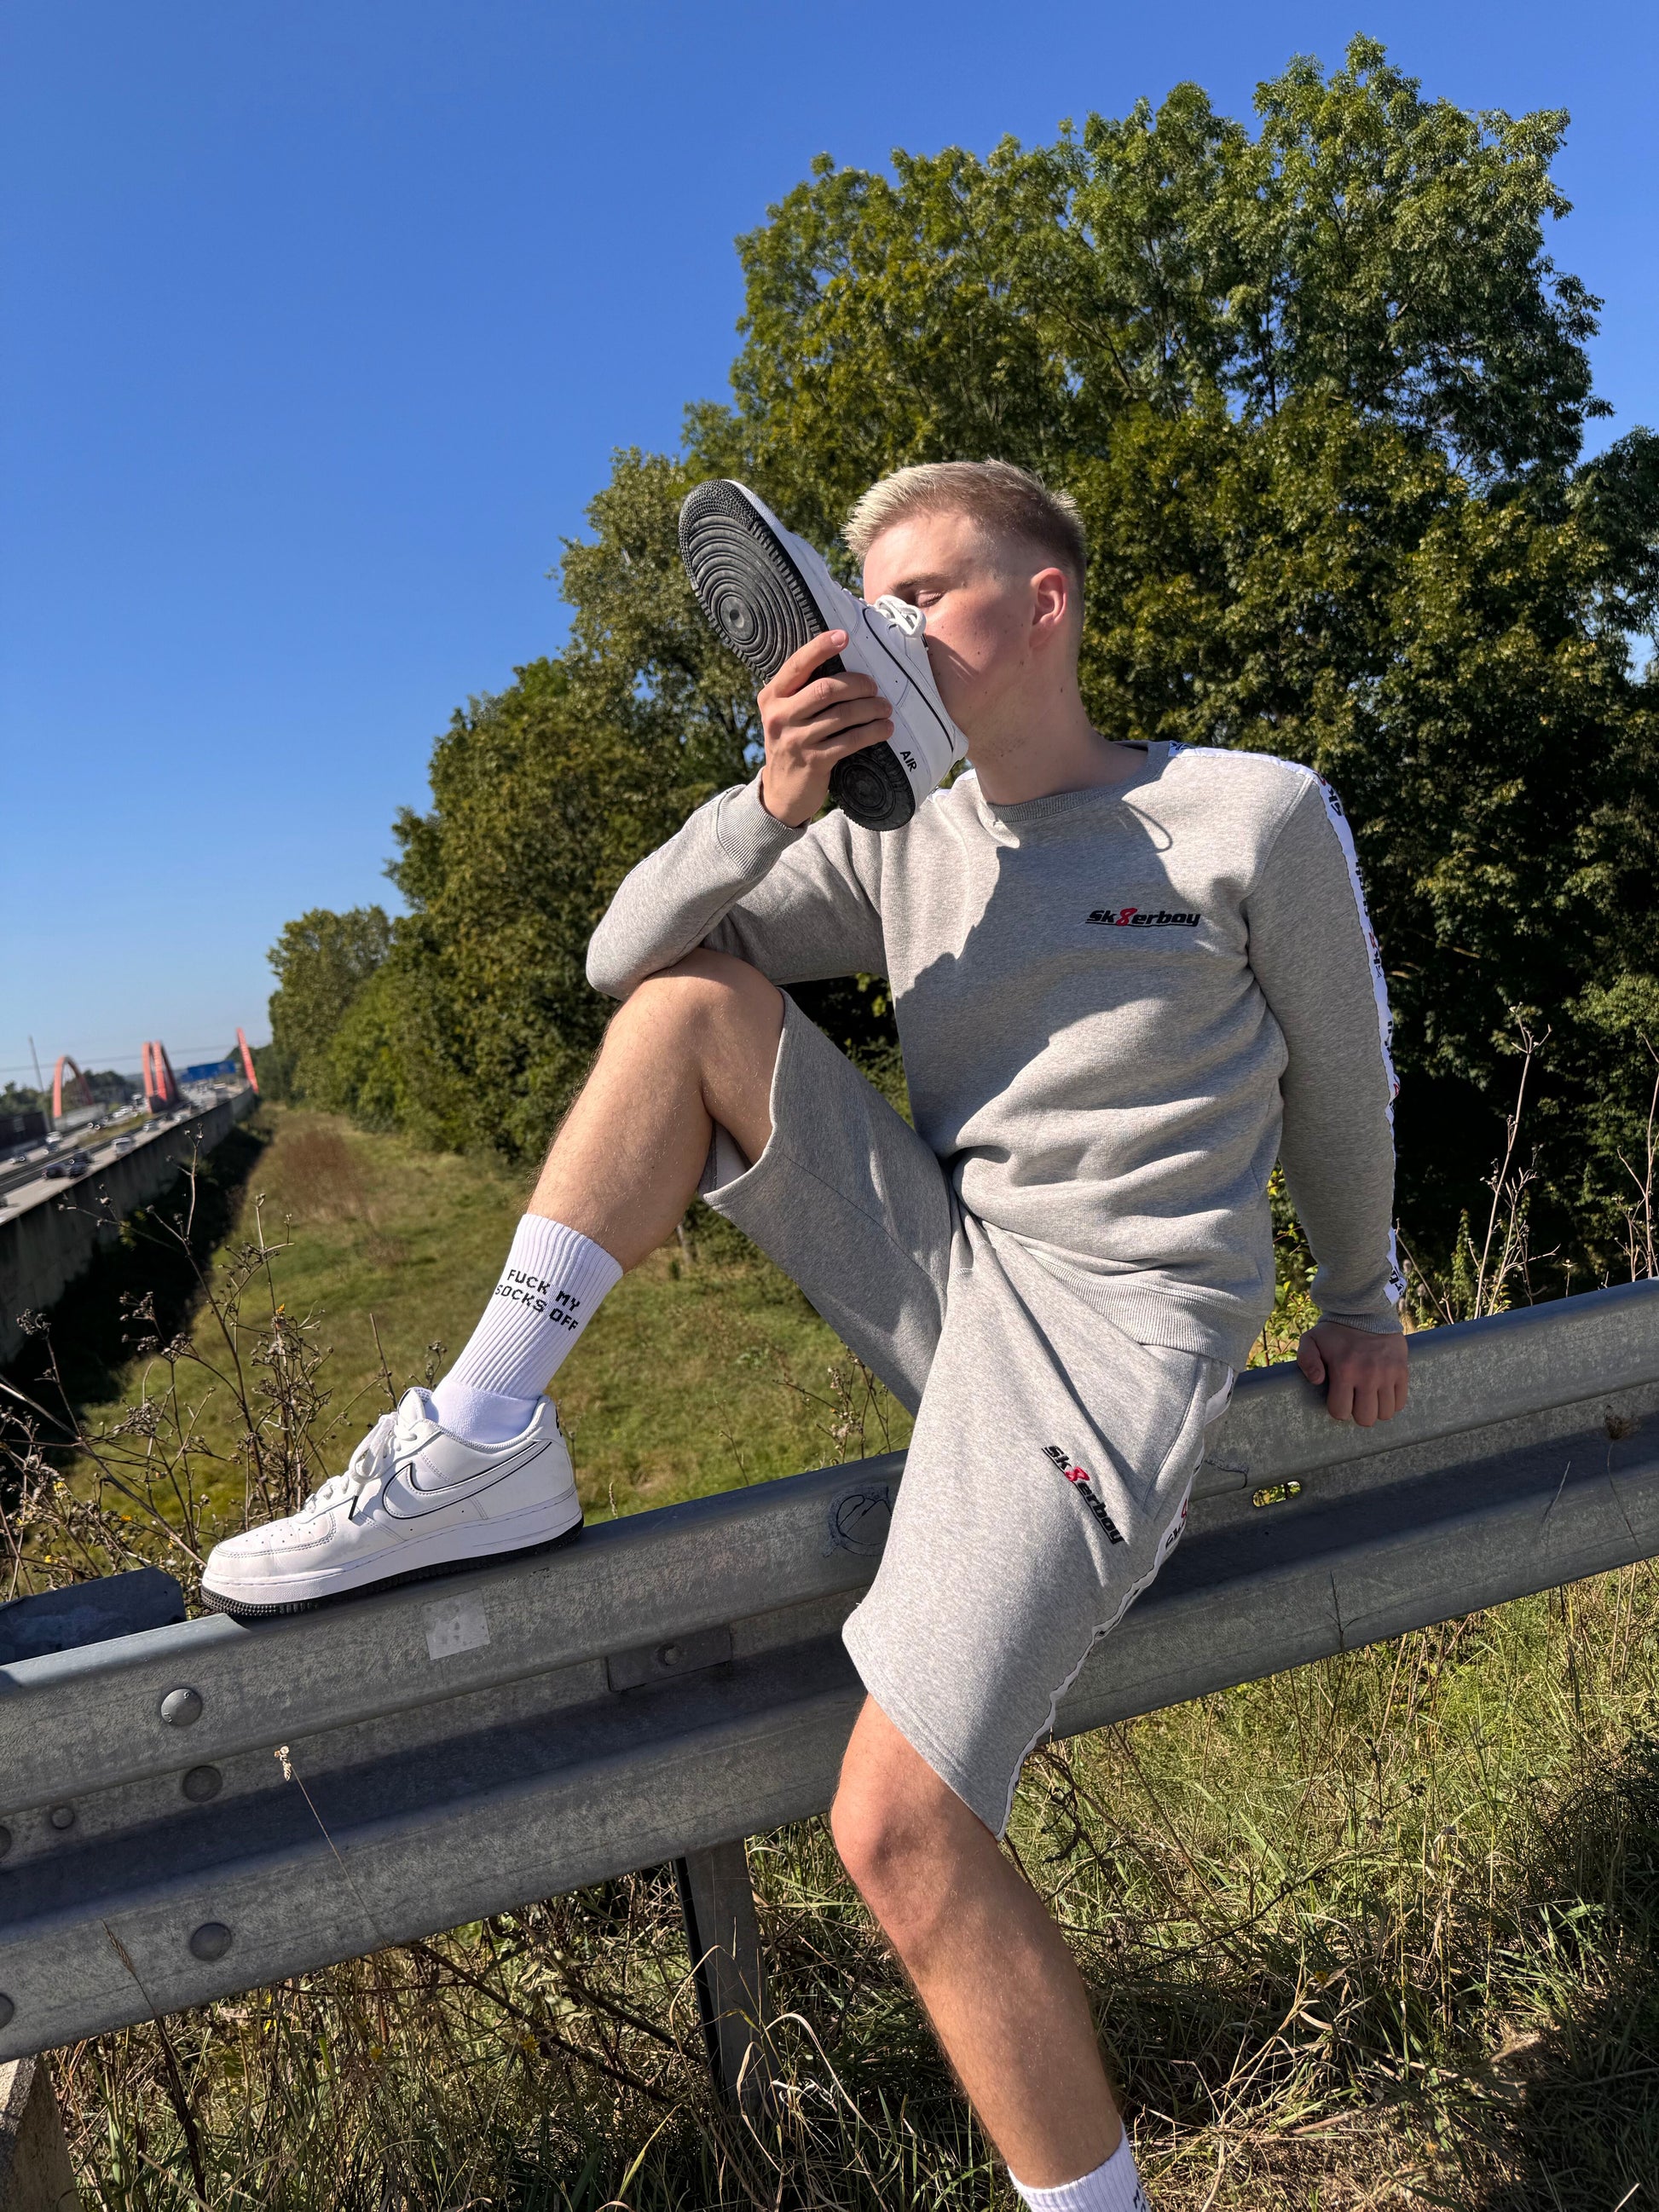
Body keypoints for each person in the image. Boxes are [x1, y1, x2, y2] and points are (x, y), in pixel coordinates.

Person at [204, 459, 1408, 2209]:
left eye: (919, 594)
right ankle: (479, 1433)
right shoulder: (902, 841)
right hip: (953, 1272)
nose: (877, 627)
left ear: (1043, 601)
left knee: (893, 1827)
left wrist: (1361, 1296)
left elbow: (1343, 1081)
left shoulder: (1247, 815)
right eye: (863, 599)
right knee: (693, 1000)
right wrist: (770, 797)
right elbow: (623, 955)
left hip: (1113, 1338)